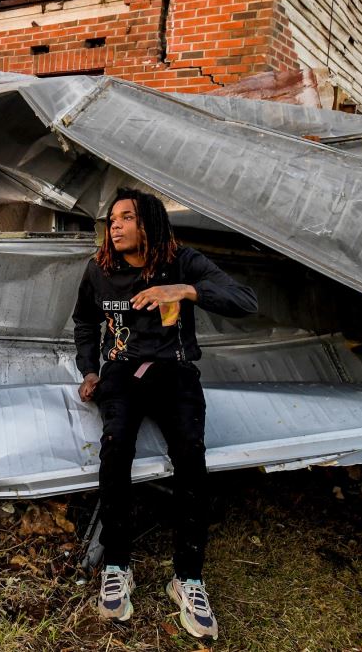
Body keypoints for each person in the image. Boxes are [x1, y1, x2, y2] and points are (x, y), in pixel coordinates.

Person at [72, 188, 257, 640]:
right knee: (115, 451)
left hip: (175, 371)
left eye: (126, 218)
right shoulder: (100, 270)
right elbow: (83, 322)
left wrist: (187, 290)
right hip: (120, 373)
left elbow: (245, 300)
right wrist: (90, 369)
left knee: (191, 457)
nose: (114, 226)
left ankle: (188, 578)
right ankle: (117, 565)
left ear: (149, 223)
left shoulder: (182, 261)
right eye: (112, 219)